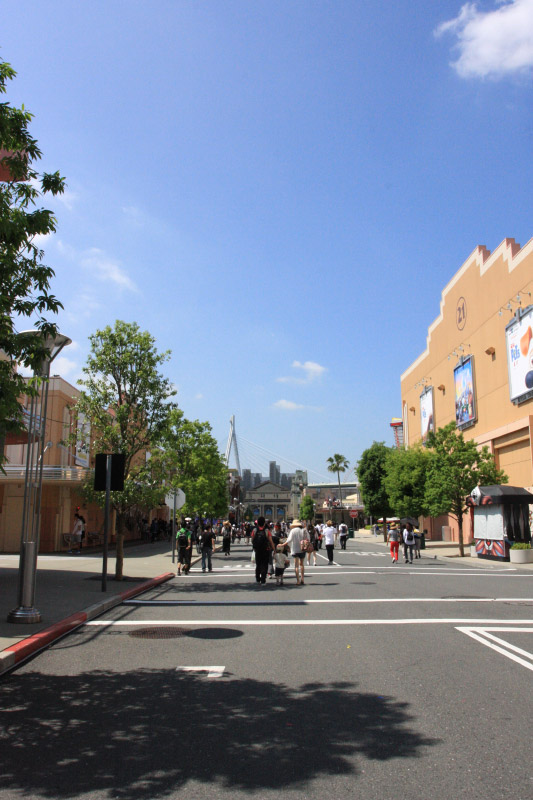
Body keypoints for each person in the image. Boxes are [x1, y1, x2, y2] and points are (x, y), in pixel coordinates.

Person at [252, 516, 275, 585]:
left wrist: (254, 547)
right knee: (265, 565)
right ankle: (263, 580)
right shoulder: (267, 531)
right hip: (266, 550)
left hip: (257, 550)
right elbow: (271, 541)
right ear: (264, 523)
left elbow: (252, 540)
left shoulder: (254, 530)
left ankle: (257, 578)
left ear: (258, 523)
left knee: (258, 564)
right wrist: (274, 549)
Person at [284, 519, 308, 585]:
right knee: (302, 564)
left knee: (296, 565)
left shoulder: (293, 531)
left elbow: (289, 540)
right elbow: (308, 539)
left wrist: (284, 544)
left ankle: (298, 581)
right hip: (302, 549)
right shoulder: (304, 530)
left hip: (295, 549)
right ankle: (302, 579)